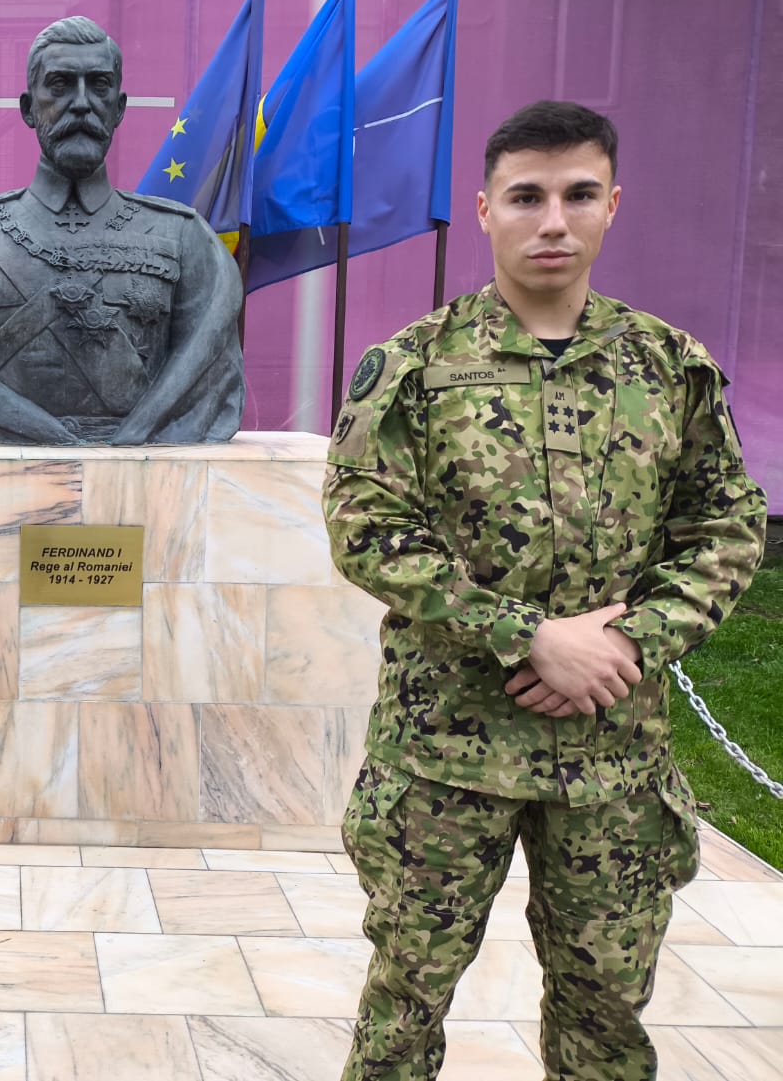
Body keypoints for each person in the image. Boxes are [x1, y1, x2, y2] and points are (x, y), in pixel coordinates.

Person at [324, 100, 767, 1080]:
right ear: (486, 210)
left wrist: (628, 641)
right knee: (402, 1014)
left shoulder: (668, 367)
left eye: (578, 195)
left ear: (613, 205)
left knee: (604, 1021)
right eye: (527, 196)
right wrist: (526, 634)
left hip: (610, 760)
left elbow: (726, 524)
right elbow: (366, 526)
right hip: (447, 758)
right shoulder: (413, 366)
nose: (553, 220)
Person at [0, 15, 244, 445]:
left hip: (145, 473)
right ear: (28, 109)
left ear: (119, 108)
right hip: (2, 473)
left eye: (99, 85)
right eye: (59, 85)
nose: (81, 104)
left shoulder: (183, 237)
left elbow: (210, 386)